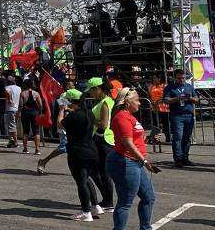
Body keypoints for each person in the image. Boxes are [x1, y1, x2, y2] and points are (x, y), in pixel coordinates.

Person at [106, 88, 156, 230]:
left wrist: (148, 138)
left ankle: (145, 228)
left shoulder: (129, 116)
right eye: (137, 100)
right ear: (127, 102)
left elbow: (134, 139)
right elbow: (127, 144)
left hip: (134, 161)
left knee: (149, 197)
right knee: (125, 202)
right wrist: (145, 161)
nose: (139, 103)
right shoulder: (122, 117)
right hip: (125, 161)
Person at [59, 89, 101, 221]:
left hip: (78, 152)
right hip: (91, 150)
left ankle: (85, 211)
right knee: (86, 178)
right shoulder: (89, 113)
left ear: (72, 101)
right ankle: (95, 205)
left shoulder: (74, 116)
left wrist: (61, 111)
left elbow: (60, 125)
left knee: (81, 181)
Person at [86, 77, 115, 211]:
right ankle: (107, 199)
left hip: (103, 139)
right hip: (100, 139)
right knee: (97, 171)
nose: (90, 94)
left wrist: (90, 119)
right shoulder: (104, 101)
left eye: (91, 91)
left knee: (102, 172)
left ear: (97, 89)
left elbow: (103, 124)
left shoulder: (105, 103)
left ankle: (108, 201)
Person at [37, 80, 75, 174]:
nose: (73, 86)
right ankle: (43, 161)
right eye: (71, 85)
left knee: (75, 147)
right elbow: (64, 108)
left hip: (74, 122)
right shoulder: (63, 95)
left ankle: (78, 168)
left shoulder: (76, 94)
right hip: (64, 123)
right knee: (63, 148)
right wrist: (73, 108)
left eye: (74, 85)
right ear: (66, 86)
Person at [164, 69, 199, 167]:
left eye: (183, 78)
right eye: (179, 78)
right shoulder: (169, 87)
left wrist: (190, 98)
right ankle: (178, 159)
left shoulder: (189, 86)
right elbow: (166, 100)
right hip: (176, 116)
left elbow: (197, 99)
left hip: (189, 115)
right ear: (175, 77)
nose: (181, 80)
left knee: (187, 138)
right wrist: (178, 98)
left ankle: (185, 158)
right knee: (178, 137)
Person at [19, 78, 43, 155]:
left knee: (26, 131)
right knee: (36, 131)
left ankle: (25, 149)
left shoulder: (22, 93)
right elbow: (40, 105)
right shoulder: (36, 93)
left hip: (25, 113)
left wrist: (19, 112)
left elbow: (21, 105)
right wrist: (39, 111)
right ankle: (37, 149)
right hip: (35, 113)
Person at [148, 74, 170, 143]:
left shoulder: (165, 86)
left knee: (166, 124)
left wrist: (158, 101)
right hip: (155, 108)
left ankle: (168, 139)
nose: (153, 80)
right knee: (155, 125)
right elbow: (149, 96)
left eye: (155, 78)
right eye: (153, 78)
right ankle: (155, 139)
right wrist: (152, 102)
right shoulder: (151, 87)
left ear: (159, 78)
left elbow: (167, 96)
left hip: (164, 108)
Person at [4, 76, 21, 149]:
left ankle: (16, 142)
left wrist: (9, 99)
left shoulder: (7, 87)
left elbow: (7, 93)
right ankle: (10, 140)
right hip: (17, 108)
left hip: (11, 108)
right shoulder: (18, 88)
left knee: (12, 126)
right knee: (13, 125)